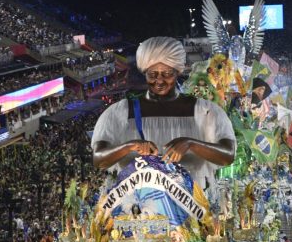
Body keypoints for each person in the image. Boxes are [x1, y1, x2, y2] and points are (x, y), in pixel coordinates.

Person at [92, 36, 235, 190]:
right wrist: (130, 146)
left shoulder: (205, 112)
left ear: (177, 72)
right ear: (145, 73)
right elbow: (99, 159)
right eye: (152, 75)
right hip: (137, 211)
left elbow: (227, 155)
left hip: (190, 209)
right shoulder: (119, 113)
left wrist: (191, 144)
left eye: (167, 74)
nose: (159, 81)